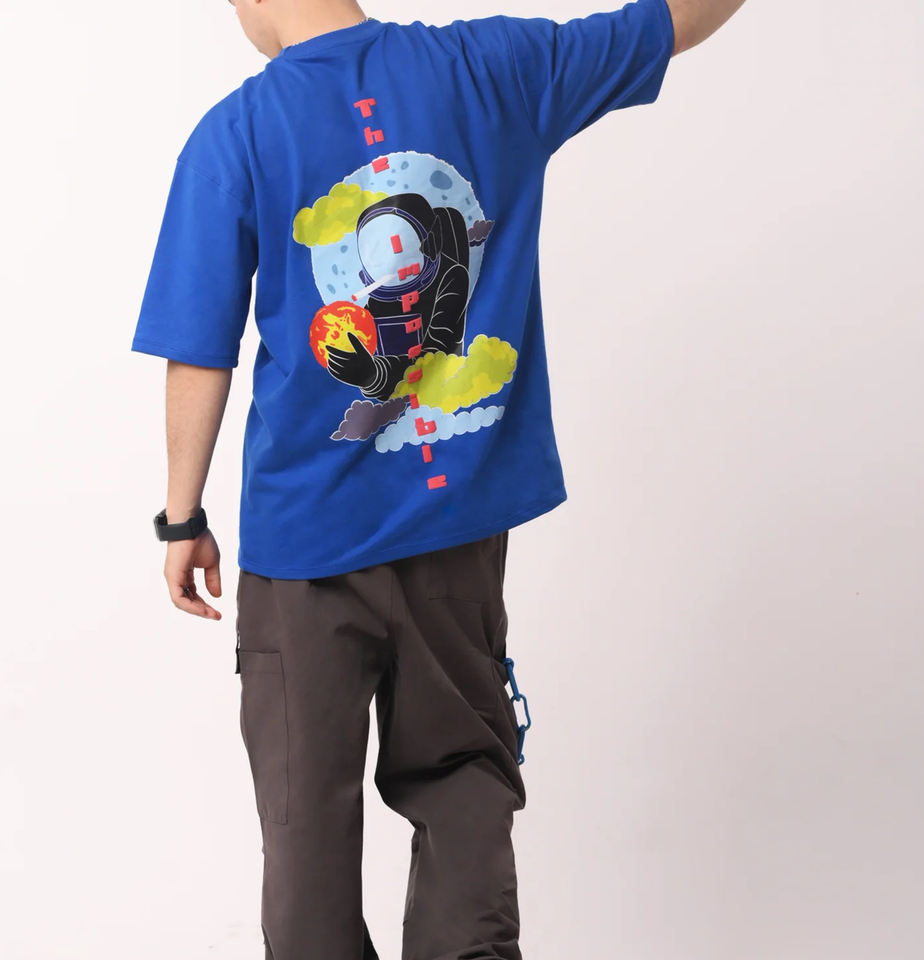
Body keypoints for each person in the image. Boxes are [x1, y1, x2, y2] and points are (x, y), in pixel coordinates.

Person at [131, 1, 747, 956]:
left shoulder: (237, 133)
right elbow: (670, 22)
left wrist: (182, 520)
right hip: (455, 542)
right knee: (463, 786)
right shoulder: (490, 68)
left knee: (304, 827)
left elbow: (198, 346)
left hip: (304, 552)